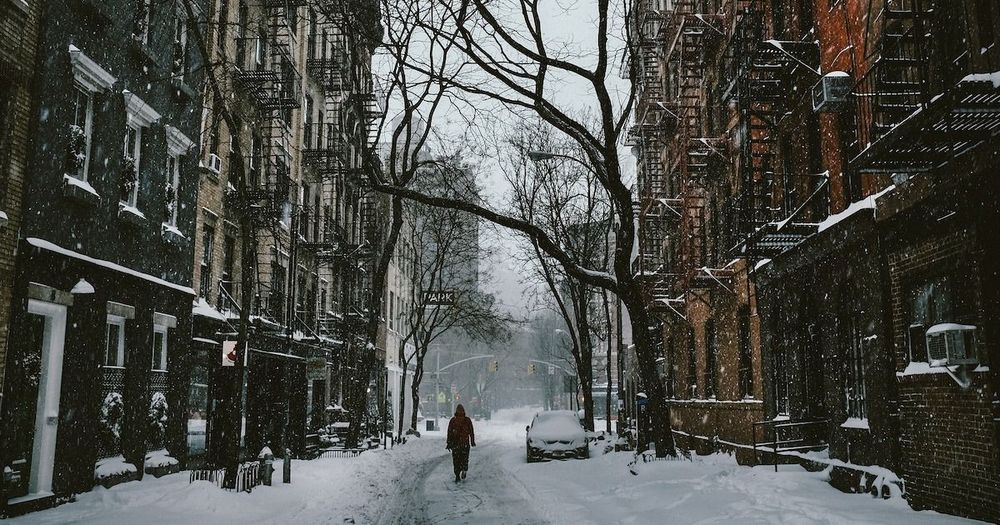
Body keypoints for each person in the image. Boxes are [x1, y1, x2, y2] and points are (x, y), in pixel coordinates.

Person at [446, 404, 476, 482]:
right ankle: (464, 470)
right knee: (465, 459)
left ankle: (457, 475)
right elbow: (471, 432)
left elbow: (449, 432)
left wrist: (449, 443)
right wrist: (472, 441)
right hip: (465, 444)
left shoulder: (453, 420)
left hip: (455, 445)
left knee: (456, 460)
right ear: (464, 411)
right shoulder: (467, 420)